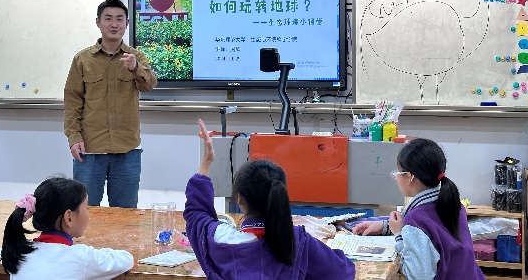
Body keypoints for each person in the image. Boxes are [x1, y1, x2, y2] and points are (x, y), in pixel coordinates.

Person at [184, 119, 356, 280]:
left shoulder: (219, 240)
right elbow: (343, 272)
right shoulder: (298, 242)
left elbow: (196, 214)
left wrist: (206, 163)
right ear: (281, 195)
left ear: (240, 199)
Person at [64, 0, 157, 208]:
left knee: (125, 213)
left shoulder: (136, 57)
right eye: (108, 19)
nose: (114, 24)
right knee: (84, 210)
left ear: (127, 24)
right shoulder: (83, 59)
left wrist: (135, 68)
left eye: (119, 19)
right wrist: (73, 137)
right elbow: (72, 102)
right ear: (98, 22)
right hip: (90, 149)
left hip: (127, 149)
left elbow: (149, 84)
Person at [352, 138, 485, 280]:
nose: (396, 178)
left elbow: (416, 276)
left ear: (409, 177)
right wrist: (385, 227)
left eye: (397, 173)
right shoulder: (452, 203)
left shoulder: (415, 221)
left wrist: (399, 235)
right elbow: (431, 231)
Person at [1, 175, 133, 279]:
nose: (88, 215)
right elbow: (126, 259)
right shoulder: (81, 257)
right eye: (86, 209)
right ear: (69, 217)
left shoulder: (20, 253)